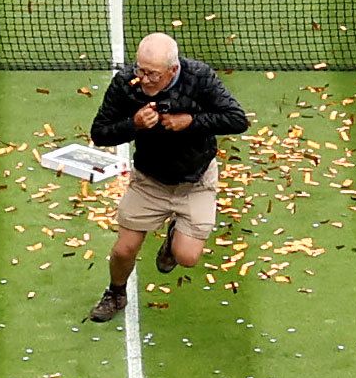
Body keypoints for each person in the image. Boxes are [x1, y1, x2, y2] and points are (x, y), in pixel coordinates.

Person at [84, 32, 249, 323]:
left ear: (173, 70)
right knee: (124, 249)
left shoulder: (199, 77)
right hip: (150, 180)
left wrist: (191, 122)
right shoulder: (126, 84)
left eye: (152, 74)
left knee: (187, 257)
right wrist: (133, 124)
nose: (144, 79)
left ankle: (174, 235)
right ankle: (116, 292)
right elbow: (100, 132)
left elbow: (237, 119)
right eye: (140, 70)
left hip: (196, 180)